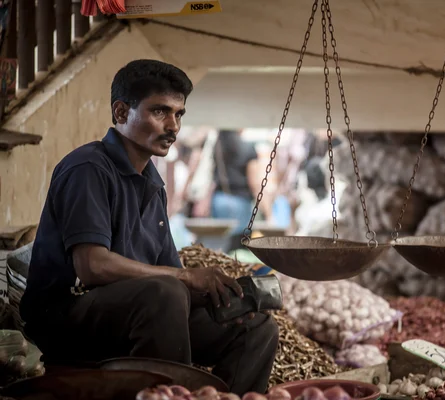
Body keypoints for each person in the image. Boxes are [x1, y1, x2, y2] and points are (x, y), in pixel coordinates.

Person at [19, 59, 279, 395]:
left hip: (135, 312)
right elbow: (92, 265)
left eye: (179, 114)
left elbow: (169, 272)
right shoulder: (87, 168)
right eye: (160, 112)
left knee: (256, 327)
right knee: (165, 291)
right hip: (63, 320)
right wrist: (184, 278)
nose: (173, 126)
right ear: (121, 113)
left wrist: (218, 294)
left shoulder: (151, 184)